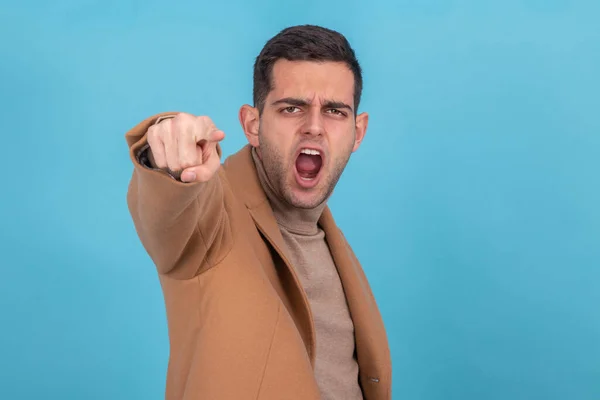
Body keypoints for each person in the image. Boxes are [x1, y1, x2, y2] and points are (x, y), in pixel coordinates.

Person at [125, 24, 391, 400]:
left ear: (358, 132)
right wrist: (167, 157)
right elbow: (171, 212)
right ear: (253, 124)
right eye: (292, 108)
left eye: (334, 111)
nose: (314, 127)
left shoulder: (332, 242)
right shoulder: (212, 217)